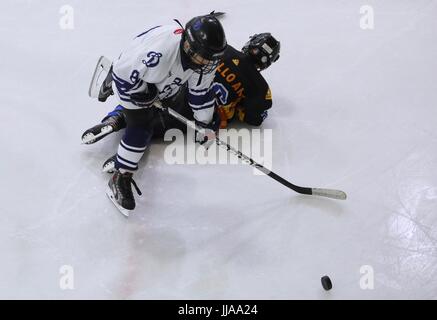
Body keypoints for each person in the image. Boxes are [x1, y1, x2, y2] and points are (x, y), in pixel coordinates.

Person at [83, 14, 227, 214]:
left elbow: (200, 94)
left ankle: (118, 117)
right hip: (128, 76)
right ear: (188, 46)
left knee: (168, 98)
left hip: (156, 77)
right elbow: (123, 73)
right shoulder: (160, 54)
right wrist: (141, 93)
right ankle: (120, 176)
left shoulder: (203, 60)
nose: (207, 63)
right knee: (142, 126)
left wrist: (206, 123)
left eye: (211, 58)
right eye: (203, 57)